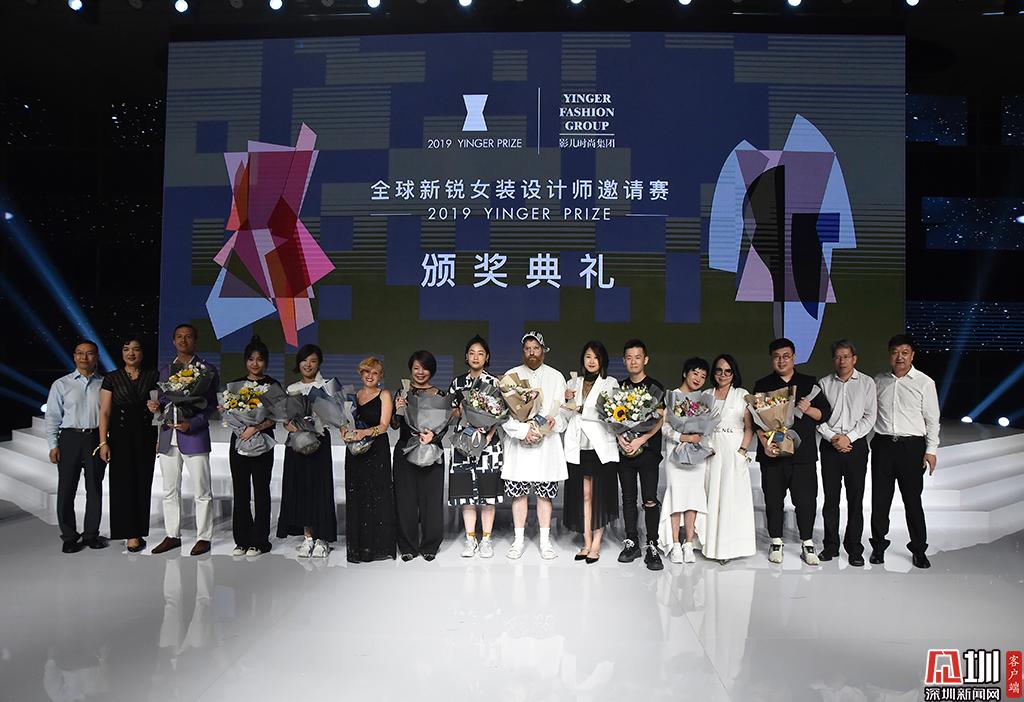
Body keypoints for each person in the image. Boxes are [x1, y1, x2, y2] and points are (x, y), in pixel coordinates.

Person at [753, 338, 831, 565]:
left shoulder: (809, 383)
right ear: (771, 359)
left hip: (802, 455)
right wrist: (766, 444)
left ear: (794, 357)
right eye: (777, 357)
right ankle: (776, 541)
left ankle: (807, 542)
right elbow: (757, 420)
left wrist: (810, 409)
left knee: (806, 500)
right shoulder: (763, 385)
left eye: (786, 356)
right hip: (773, 453)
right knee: (773, 499)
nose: (782, 360)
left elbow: (824, 414)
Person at [148, 324, 220, 557]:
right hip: (168, 436)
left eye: (188, 336)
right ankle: (172, 535)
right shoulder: (165, 370)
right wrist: (155, 407)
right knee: (170, 490)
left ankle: (203, 537)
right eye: (179, 336)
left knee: (202, 490)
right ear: (173, 341)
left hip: (194, 435)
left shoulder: (206, 370)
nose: (183, 340)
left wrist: (193, 423)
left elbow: (210, 405)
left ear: (195, 340)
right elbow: (162, 402)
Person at [870, 334, 940, 569]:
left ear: (912, 355)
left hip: (912, 448)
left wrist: (931, 450)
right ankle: (878, 546)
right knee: (880, 500)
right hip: (883, 445)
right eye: (895, 352)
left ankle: (919, 549)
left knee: (912, 500)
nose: (899, 357)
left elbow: (932, 420)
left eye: (905, 352)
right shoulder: (878, 381)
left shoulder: (924, 382)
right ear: (889, 355)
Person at [501, 331, 568, 560]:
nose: (532, 353)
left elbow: (563, 412)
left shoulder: (556, 377)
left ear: (543, 350)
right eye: (528, 349)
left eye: (536, 348)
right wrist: (523, 431)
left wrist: (551, 424)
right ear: (523, 352)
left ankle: (545, 542)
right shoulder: (511, 376)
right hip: (520, 445)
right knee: (518, 494)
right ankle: (518, 541)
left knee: (544, 495)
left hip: (546, 446)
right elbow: (503, 414)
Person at [816, 340, 877, 567]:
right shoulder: (824, 383)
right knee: (830, 500)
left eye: (846, 356)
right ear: (834, 360)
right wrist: (833, 437)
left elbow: (870, 416)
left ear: (854, 359)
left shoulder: (867, 383)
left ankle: (854, 549)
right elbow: (818, 417)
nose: (842, 361)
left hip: (856, 447)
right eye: (838, 357)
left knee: (855, 500)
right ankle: (830, 546)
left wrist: (848, 438)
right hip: (829, 446)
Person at [97, 336, 159, 553]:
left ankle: (139, 530)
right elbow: (104, 412)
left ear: (142, 352)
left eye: (135, 349)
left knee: (143, 482)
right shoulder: (111, 378)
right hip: (119, 437)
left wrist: (159, 432)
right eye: (126, 349)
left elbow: (162, 408)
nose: (131, 353)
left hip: (146, 434)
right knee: (122, 484)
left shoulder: (153, 376)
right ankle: (130, 534)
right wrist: (103, 442)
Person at [276, 344, 337, 558]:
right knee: (301, 489)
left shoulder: (326, 386)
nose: (308, 365)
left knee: (319, 488)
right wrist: (289, 426)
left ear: (319, 363)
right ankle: (308, 536)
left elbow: (335, 416)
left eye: (312, 361)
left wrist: (319, 421)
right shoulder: (292, 388)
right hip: (297, 442)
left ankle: (322, 539)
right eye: (304, 360)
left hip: (319, 441)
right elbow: (285, 420)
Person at [45, 340, 106, 553]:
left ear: (96, 356)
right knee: (66, 488)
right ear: (74, 356)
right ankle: (69, 536)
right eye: (80, 353)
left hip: (95, 439)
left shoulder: (105, 384)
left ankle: (91, 535)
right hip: (69, 438)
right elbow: (52, 416)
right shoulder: (61, 384)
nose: (84, 357)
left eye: (89, 353)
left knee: (94, 488)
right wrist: (53, 445)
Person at [562, 341, 619, 564]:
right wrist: (567, 400)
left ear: (602, 360)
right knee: (583, 496)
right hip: (578, 447)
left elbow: (611, 414)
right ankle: (586, 542)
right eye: (588, 356)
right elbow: (566, 416)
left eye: (596, 357)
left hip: (599, 447)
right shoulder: (573, 382)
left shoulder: (610, 383)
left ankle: (597, 543)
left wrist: (581, 409)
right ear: (582, 359)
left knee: (599, 497)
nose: (592, 361)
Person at [448, 335, 505, 559]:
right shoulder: (458, 382)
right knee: (466, 496)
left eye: (480, 353)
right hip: (463, 442)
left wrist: (489, 434)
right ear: (466, 356)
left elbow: (502, 414)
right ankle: (470, 538)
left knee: (487, 495)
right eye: (472, 353)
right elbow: (451, 411)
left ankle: (487, 540)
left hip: (489, 445)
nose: (476, 357)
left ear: (487, 357)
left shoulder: (495, 383)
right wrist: (460, 411)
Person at [697, 354, 756, 564]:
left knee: (730, 498)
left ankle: (727, 548)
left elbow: (749, 428)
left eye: (727, 371)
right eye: (719, 370)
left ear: (734, 373)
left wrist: (742, 451)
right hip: (710, 450)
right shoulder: (706, 394)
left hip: (733, 451)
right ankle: (706, 543)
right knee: (710, 495)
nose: (723, 375)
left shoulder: (742, 395)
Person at [226, 335, 280, 557]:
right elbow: (230, 413)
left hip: (263, 443)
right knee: (240, 491)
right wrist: (240, 428)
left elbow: (277, 416)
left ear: (265, 362)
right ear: (245, 361)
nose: (255, 363)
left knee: (261, 490)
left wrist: (255, 428)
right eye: (251, 359)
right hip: (239, 441)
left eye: (259, 359)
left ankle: (259, 541)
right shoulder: (235, 385)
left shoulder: (272, 385)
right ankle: (241, 540)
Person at [616, 338, 666, 571]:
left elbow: (660, 420)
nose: (633, 361)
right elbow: (613, 418)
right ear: (624, 361)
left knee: (649, 499)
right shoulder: (619, 388)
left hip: (648, 453)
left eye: (638, 357)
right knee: (628, 498)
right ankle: (632, 542)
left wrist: (642, 439)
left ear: (646, 359)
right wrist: (620, 437)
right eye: (629, 357)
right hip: (625, 452)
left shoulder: (655, 387)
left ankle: (652, 545)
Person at [391, 350, 446, 561]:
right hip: (406, 450)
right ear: (410, 369)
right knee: (405, 500)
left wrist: (434, 436)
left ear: (432, 371)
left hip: (432, 450)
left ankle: (430, 544)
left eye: (425, 368)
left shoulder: (440, 395)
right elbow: (395, 425)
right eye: (416, 368)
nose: (420, 372)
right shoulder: (403, 392)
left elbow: (444, 426)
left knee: (431, 500)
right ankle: (407, 545)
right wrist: (398, 409)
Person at [342, 356, 397, 563]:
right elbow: (345, 421)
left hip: (377, 451)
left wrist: (364, 433)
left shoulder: (384, 395)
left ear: (380, 376)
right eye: (367, 372)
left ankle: (378, 547)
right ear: (361, 373)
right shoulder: (352, 396)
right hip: (355, 452)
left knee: (378, 496)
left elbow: (384, 426)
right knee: (358, 496)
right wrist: (344, 432)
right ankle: (359, 546)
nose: (370, 376)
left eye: (375, 373)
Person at [659, 357, 710, 564]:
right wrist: (684, 437)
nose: (698, 378)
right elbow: (664, 428)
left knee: (693, 497)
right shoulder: (672, 397)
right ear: (685, 373)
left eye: (703, 376)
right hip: (676, 453)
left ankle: (689, 543)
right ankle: (674, 544)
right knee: (676, 496)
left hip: (696, 455)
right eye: (695, 373)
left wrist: (701, 441)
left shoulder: (704, 400)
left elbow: (707, 428)